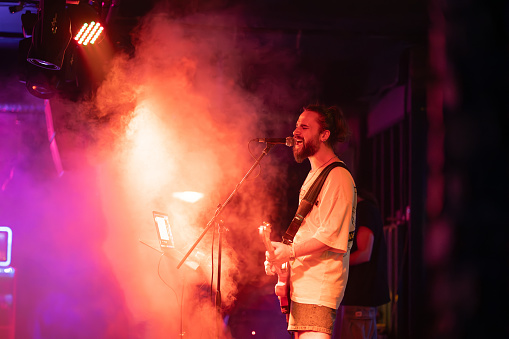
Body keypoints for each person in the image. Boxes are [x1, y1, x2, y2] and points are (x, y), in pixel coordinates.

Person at [265, 104, 357, 339]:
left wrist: (290, 251)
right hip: (304, 287)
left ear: (324, 135)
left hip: (319, 289)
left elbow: (329, 236)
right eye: (296, 125)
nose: (296, 132)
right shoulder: (314, 174)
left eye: (304, 127)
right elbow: (310, 231)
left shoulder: (338, 177)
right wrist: (282, 259)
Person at [333, 188, 390, 339]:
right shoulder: (365, 211)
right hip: (361, 300)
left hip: (359, 299)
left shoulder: (364, 211)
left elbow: (365, 253)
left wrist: (334, 263)